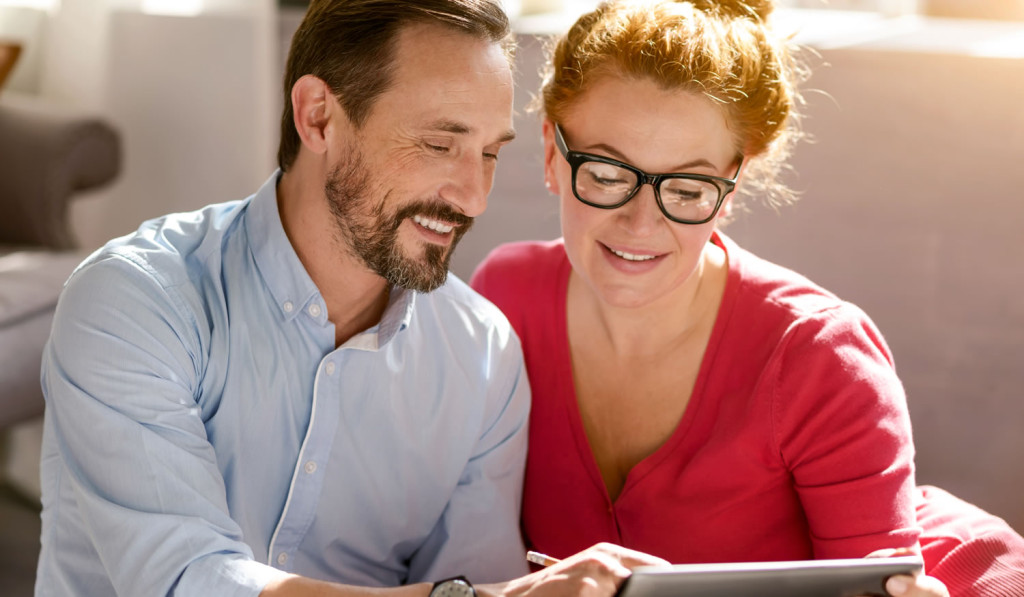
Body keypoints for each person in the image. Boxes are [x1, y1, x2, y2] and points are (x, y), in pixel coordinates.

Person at [470, 1, 1024, 596]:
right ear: (554, 154)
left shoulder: (822, 357)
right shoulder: (505, 298)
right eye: (607, 174)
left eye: (688, 188)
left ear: (731, 189)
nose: (640, 223)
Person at [36, 1, 536, 595]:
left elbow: (474, 583)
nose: (474, 197)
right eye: (437, 144)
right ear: (319, 117)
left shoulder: (483, 356)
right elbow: (184, 579)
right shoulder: (134, 301)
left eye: (490, 153)